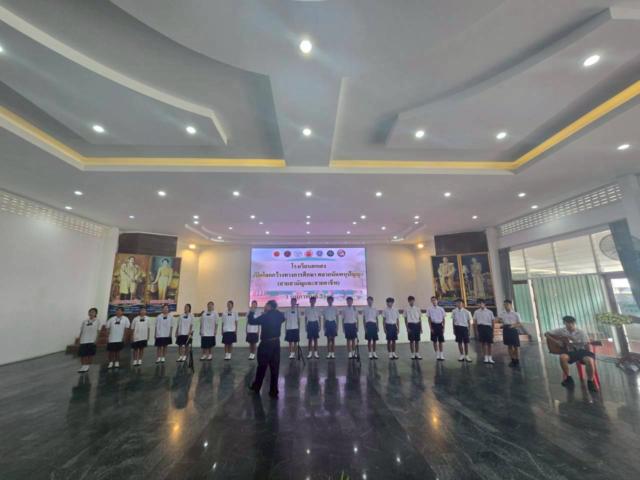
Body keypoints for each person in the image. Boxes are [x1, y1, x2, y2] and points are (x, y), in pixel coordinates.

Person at [545, 316, 598, 392]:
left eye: (572, 323)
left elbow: (587, 345)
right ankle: (569, 378)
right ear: (564, 323)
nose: (570, 325)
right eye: (568, 323)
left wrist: (588, 354)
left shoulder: (581, 332)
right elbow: (546, 334)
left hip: (581, 351)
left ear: (574, 323)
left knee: (589, 360)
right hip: (570, 352)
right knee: (562, 357)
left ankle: (590, 381)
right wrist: (556, 342)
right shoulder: (561, 331)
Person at [248, 300, 286, 398]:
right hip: (276, 344)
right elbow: (283, 318)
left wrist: (252, 311)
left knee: (262, 367)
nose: (264, 307)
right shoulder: (279, 315)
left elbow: (252, 321)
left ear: (269, 306)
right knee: (275, 368)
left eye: (265, 305)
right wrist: (276, 309)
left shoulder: (265, 316)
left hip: (265, 344)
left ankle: (256, 387)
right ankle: (274, 391)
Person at [498, 299, 522, 367]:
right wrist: (501, 322)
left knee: (516, 346)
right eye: (504, 305)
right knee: (509, 346)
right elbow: (500, 320)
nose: (506, 306)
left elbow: (520, 324)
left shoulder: (516, 314)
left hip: (513, 330)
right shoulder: (502, 314)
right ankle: (512, 359)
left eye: (507, 304)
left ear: (511, 305)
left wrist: (513, 326)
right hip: (506, 330)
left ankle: (517, 359)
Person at [77, 307, 99, 373]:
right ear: (88, 313)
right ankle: (83, 366)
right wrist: (79, 338)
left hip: (92, 340)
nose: (91, 313)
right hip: (83, 340)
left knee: (89, 354)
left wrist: (96, 339)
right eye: (90, 312)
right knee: (82, 354)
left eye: (93, 312)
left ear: (95, 314)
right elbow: (81, 331)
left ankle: (87, 366)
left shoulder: (97, 321)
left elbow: (98, 331)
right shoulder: (85, 321)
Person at [473, 299, 495, 364]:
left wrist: (492, 330)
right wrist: (476, 330)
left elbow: (493, 321)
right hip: (480, 327)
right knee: (483, 343)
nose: (480, 305)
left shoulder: (490, 312)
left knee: (489, 343)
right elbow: (475, 321)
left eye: (481, 303)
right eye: (479, 303)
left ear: (484, 304)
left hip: (488, 328)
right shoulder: (476, 312)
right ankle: (485, 357)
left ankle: (490, 357)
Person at [427, 296, 446, 361]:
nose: (434, 301)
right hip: (433, 325)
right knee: (434, 341)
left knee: (440, 341)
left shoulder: (441, 309)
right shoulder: (429, 309)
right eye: (432, 300)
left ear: (437, 301)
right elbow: (429, 319)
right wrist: (430, 328)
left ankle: (441, 354)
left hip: (440, 325)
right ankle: (437, 354)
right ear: (431, 301)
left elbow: (443, 319)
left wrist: (443, 327)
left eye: (435, 300)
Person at [405, 295, 422, 360]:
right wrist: (407, 328)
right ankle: (412, 354)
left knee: (417, 340)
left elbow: (420, 319)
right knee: (411, 340)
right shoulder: (406, 309)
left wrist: (421, 328)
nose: (411, 302)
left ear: (414, 301)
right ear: (408, 301)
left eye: (412, 300)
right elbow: (405, 319)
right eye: (410, 301)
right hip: (410, 325)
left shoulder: (418, 308)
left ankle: (417, 354)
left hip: (417, 325)